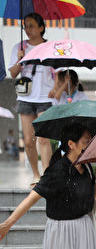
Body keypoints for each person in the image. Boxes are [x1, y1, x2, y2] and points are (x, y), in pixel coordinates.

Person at [8, 12, 55, 186]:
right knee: (29, 141)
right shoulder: (19, 47)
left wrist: (56, 90)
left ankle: (47, 176)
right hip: (26, 98)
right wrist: (20, 61)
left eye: (31, 26)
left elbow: (58, 72)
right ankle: (36, 175)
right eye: (25, 26)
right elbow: (13, 73)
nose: (27, 29)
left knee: (43, 138)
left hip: (44, 97)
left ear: (41, 27)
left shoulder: (50, 48)